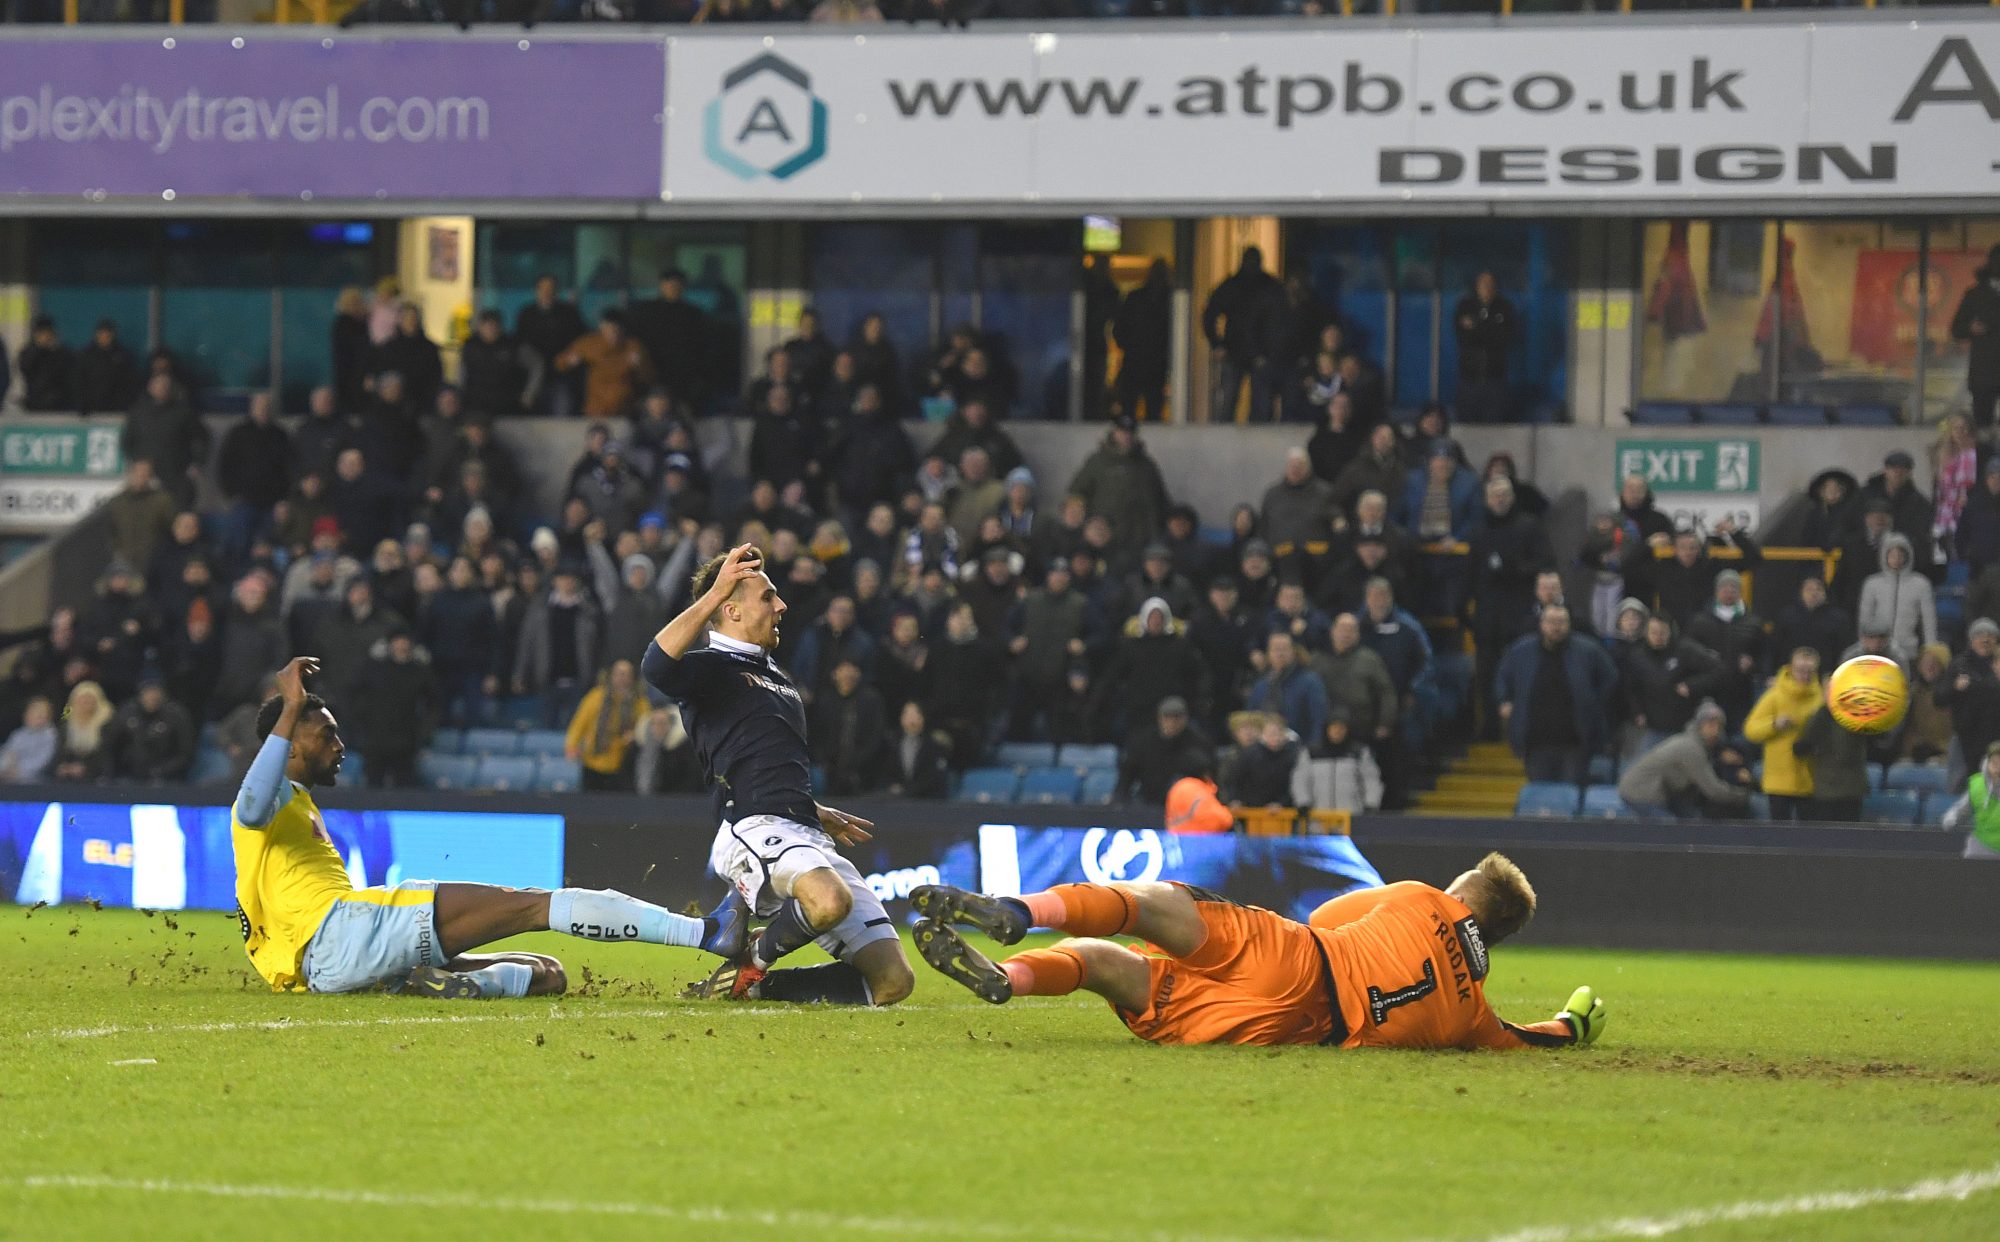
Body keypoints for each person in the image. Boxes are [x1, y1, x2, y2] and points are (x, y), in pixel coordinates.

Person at [232, 657, 742, 998]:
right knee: (535, 904)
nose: (339, 745)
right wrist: (291, 707)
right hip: (345, 931)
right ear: (289, 745)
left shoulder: (295, 805)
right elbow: (250, 805)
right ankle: (703, 932)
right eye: (326, 735)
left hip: (326, 970)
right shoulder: (270, 798)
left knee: (547, 973)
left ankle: (442, 985)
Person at [904, 856, 1606, 1052]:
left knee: (1148, 904)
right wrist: (1573, 1023)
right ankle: (1006, 978)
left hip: (1300, 958)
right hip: (1290, 1028)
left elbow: (1327, 917)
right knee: (1116, 972)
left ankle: (1020, 915)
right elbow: (1533, 1037)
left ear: (1463, 895)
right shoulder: (1472, 1017)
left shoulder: (1424, 900)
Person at [642, 545, 917, 1007]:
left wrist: (811, 808)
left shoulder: (776, 677)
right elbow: (655, 666)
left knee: (893, 981)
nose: (782, 606)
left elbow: (761, 758)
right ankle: (751, 960)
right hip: (752, 827)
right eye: (768, 597)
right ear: (730, 609)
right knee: (829, 902)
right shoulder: (711, 667)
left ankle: (754, 987)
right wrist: (714, 594)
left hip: (804, 831)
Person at [1493, 605, 1618, 784]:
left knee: (1569, 794)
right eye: (1552, 622)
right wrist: (1504, 700)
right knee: (1540, 794)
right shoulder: (1521, 650)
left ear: (1569, 624)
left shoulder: (1588, 650)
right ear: (1542, 623)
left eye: (1562, 622)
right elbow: (1503, 677)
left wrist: (1593, 702)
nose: (1556, 627)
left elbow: (1610, 677)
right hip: (1535, 743)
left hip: (1575, 742)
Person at [1616, 701, 1751, 820]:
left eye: (1718, 725)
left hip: (1664, 792)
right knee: (1672, 831)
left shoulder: (1702, 745)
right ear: (1699, 725)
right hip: (1639, 792)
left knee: (1693, 820)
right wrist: (1743, 796)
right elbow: (1712, 790)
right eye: (1710, 724)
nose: (1714, 730)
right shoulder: (1691, 748)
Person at [1202, 246, 1284, 422]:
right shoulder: (1262, 286)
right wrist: (1217, 344)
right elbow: (1210, 315)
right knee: (1233, 401)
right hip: (1239, 351)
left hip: (1254, 352)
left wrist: (1217, 344)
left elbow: (1210, 314)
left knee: (1258, 405)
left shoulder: (1240, 285)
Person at [1744, 648, 1824, 821]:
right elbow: (1750, 730)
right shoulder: (1774, 696)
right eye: (1800, 670)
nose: (1804, 675)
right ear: (1791, 668)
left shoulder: (1820, 699)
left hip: (1809, 781)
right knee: (1779, 833)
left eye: (1809, 671)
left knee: (1809, 833)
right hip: (1778, 782)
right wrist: (1774, 724)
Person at [565, 658, 649, 793]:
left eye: (626, 674)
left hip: (623, 765)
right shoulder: (595, 697)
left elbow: (646, 727)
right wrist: (572, 746)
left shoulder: (640, 702)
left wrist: (634, 735)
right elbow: (578, 724)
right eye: (619, 673)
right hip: (593, 762)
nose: (622, 678)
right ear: (611, 676)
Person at [1117, 696, 1213, 807]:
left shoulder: (1199, 743)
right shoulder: (1143, 742)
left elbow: (1208, 776)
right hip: (1148, 801)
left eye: (1177, 718)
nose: (1172, 722)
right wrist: (1119, 799)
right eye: (1167, 717)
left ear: (1186, 719)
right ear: (1159, 718)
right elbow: (1127, 775)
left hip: (1187, 804)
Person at [1856, 533, 1937, 663]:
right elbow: (1865, 619)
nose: (1896, 559)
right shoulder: (1872, 584)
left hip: (1909, 651)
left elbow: (1929, 620)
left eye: (1900, 555)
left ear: (1908, 556)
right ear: (1884, 556)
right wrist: (1863, 647)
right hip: (1878, 651)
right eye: (1892, 555)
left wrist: (1931, 649)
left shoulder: (1921, 584)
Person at [1113, 258, 1173, 422]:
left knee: (1130, 405)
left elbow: (1119, 328)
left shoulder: (1135, 297)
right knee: (1153, 406)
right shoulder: (1169, 300)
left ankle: (1128, 430)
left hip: (1136, 359)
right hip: (1154, 361)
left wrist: (1128, 346)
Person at [1453, 271, 1517, 423]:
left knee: (1494, 422)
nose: (1487, 288)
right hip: (1469, 377)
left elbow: (1503, 338)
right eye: (1484, 285)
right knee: (1467, 422)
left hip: (1495, 378)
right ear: (1477, 286)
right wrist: (1489, 327)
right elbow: (1464, 338)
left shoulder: (1504, 308)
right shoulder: (1466, 306)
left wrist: (1477, 326)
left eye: (1490, 285)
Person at [1949, 243, 2000, 430]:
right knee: (1982, 426)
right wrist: (1971, 328)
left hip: (1984, 372)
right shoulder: (1976, 294)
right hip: (1985, 372)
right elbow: (1956, 329)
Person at [1939, 741, 2000, 859]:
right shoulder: (1977, 784)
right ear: (1987, 763)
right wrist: (1951, 819)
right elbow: (1961, 811)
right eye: (1994, 763)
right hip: (1981, 847)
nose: (1998, 769)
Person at [0, 696, 57, 784]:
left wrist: (19, 771)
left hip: (37, 783)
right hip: (10, 780)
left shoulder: (51, 736)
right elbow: (7, 754)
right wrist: (3, 769)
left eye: (41, 713)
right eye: (33, 711)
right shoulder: (18, 735)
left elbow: (43, 762)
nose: (37, 715)